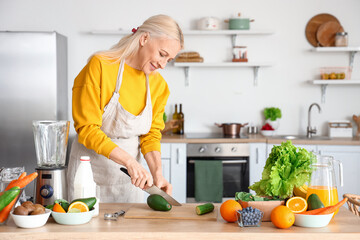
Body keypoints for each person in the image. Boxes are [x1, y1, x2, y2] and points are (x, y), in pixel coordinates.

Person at [67, 15, 184, 203]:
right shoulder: (101, 66)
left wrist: (157, 174)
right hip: (88, 175)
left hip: (130, 181)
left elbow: (151, 134)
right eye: (162, 54)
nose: (162, 65)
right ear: (144, 38)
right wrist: (129, 161)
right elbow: (87, 129)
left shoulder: (159, 86)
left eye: (168, 60)